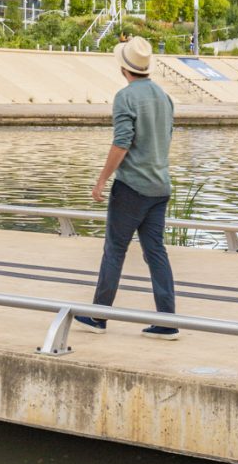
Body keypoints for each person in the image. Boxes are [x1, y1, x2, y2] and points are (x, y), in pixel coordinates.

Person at [75, 35, 178, 337]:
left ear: (123, 68)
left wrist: (102, 179)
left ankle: (98, 316)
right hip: (160, 186)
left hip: (131, 188)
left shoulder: (126, 97)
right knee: (156, 252)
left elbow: (122, 143)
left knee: (115, 250)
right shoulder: (164, 96)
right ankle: (168, 321)